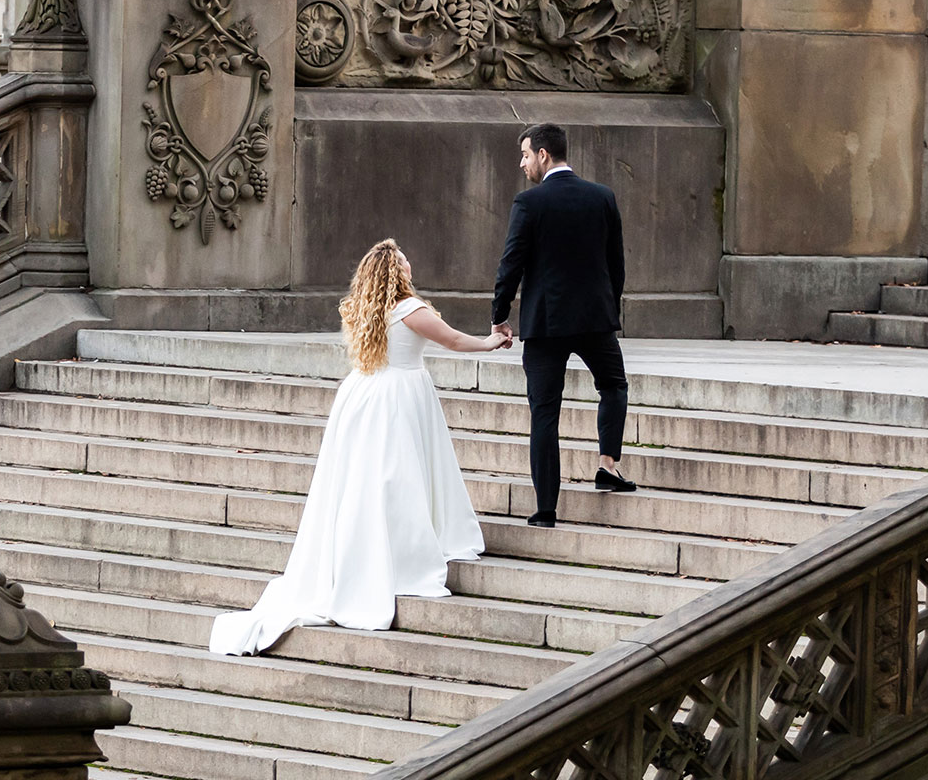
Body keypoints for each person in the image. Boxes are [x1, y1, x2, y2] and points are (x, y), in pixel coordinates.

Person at [211, 241, 492, 658]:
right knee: (398, 476)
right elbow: (452, 340)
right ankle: (400, 553)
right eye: (403, 258)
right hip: (398, 396)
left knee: (364, 480)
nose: (409, 261)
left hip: (362, 394)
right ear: (396, 271)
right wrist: (492, 342)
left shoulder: (364, 309)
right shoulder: (410, 309)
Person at [489, 122, 633, 530]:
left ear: (543, 155)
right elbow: (615, 265)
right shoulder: (602, 197)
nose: (522, 163)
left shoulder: (529, 204)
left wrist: (500, 316)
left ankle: (546, 509)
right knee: (613, 385)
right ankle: (608, 464)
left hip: (545, 324)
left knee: (545, 414)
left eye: (524, 155)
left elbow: (510, 264)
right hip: (594, 320)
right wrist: (608, 306)